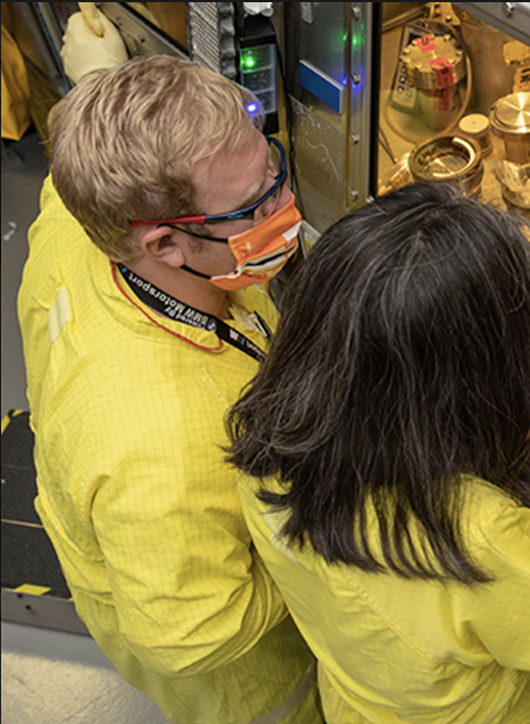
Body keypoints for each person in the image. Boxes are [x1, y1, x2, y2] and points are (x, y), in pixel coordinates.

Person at [227, 181, 530, 724]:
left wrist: (498, 272)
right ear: (471, 383)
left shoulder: (270, 438)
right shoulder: (469, 534)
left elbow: (384, 289)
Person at [17, 55, 320, 724]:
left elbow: (82, 132)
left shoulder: (78, 219)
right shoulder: (160, 449)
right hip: (253, 684)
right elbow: (193, 634)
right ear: (165, 245)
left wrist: (101, 73)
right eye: (253, 206)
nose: (284, 204)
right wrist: (322, 554)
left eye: (270, 166)